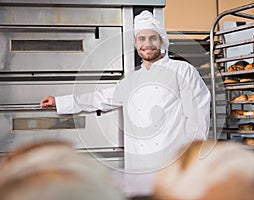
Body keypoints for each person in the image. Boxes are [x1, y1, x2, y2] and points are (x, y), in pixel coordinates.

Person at [40, 10, 210, 184]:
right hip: (139, 168)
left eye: (153, 38)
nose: (147, 44)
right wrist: (59, 102)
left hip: (173, 165)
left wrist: (191, 157)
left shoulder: (182, 71)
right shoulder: (132, 79)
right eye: (141, 39)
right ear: (136, 44)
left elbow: (198, 117)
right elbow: (101, 98)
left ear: (162, 41)